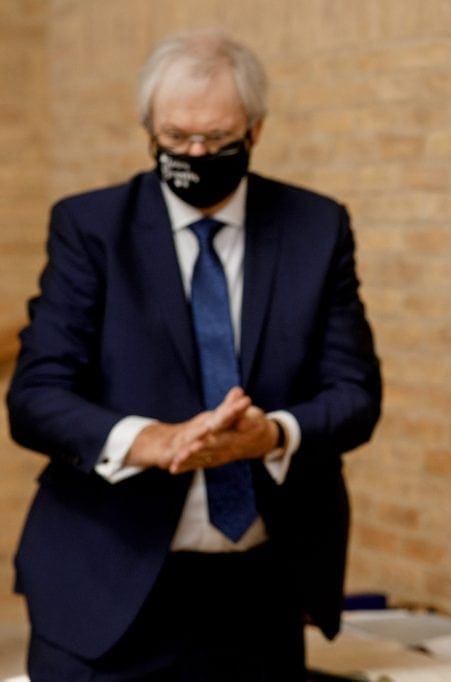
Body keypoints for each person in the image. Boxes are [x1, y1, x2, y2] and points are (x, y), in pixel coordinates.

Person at [6, 29, 381, 681]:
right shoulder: (91, 228)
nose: (197, 153)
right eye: (177, 137)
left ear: (255, 130)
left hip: (260, 594)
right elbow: (35, 398)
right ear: (149, 131)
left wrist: (273, 434)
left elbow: (355, 395)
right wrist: (148, 440)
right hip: (104, 584)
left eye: (216, 137)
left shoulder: (315, 228)